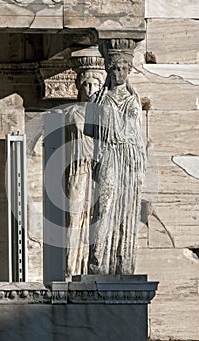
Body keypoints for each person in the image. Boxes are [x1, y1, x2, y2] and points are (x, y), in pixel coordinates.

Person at [84, 56, 146, 274]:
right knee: (104, 206)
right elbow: (90, 132)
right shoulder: (97, 100)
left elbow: (134, 134)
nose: (119, 73)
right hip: (108, 154)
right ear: (109, 71)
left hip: (129, 157)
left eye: (123, 69)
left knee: (126, 209)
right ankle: (97, 261)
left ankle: (121, 262)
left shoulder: (133, 100)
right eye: (115, 69)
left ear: (128, 71)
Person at [65, 69, 106, 277]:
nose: (90, 89)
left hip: (98, 168)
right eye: (86, 85)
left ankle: (91, 267)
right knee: (74, 218)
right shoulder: (74, 111)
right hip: (78, 169)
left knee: (95, 217)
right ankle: (71, 268)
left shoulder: (102, 113)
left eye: (94, 85)